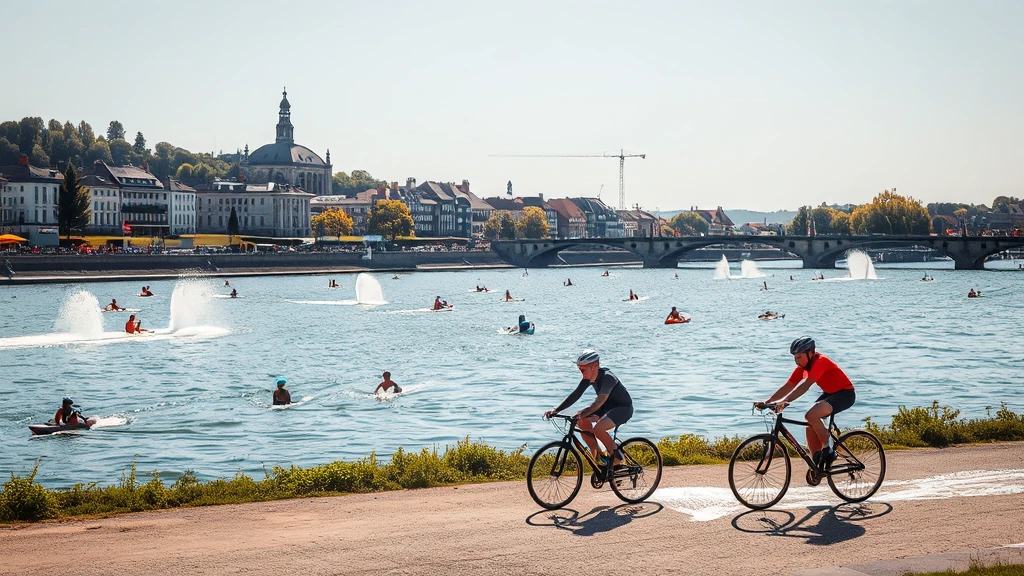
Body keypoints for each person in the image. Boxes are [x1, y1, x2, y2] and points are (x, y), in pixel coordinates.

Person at [756, 337, 855, 470]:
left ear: (810, 353)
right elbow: (789, 385)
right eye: (795, 358)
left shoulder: (821, 362)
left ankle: (828, 448)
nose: (797, 361)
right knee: (810, 423)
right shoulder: (803, 366)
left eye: (799, 357)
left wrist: (785, 402)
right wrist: (768, 402)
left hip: (845, 394)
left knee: (811, 414)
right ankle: (816, 465)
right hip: (830, 393)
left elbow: (805, 386)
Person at [544, 349, 633, 470]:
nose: (581, 373)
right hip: (606, 408)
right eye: (580, 369)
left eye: (583, 370)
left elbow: (599, 402)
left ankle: (619, 459)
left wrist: (583, 412)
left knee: (598, 429)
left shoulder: (608, 378)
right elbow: (576, 395)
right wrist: (556, 410)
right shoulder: (588, 379)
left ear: (594, 366)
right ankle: (600, 456)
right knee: (582, 421)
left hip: (622, 408)